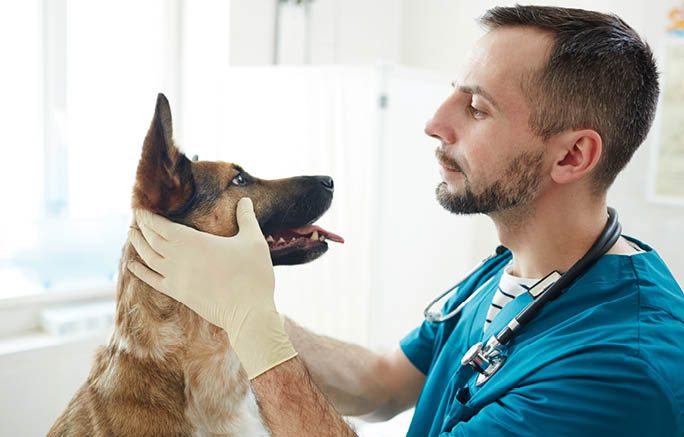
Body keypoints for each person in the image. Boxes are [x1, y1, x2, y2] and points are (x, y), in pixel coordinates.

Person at [127, 5, 684, 436]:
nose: (434, 122)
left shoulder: (618, 370)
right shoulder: (516, 271)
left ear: (571, 157)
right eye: (453, 93)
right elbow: (382, 383)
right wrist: (233, 305)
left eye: (477, 108)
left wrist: (250, 324)